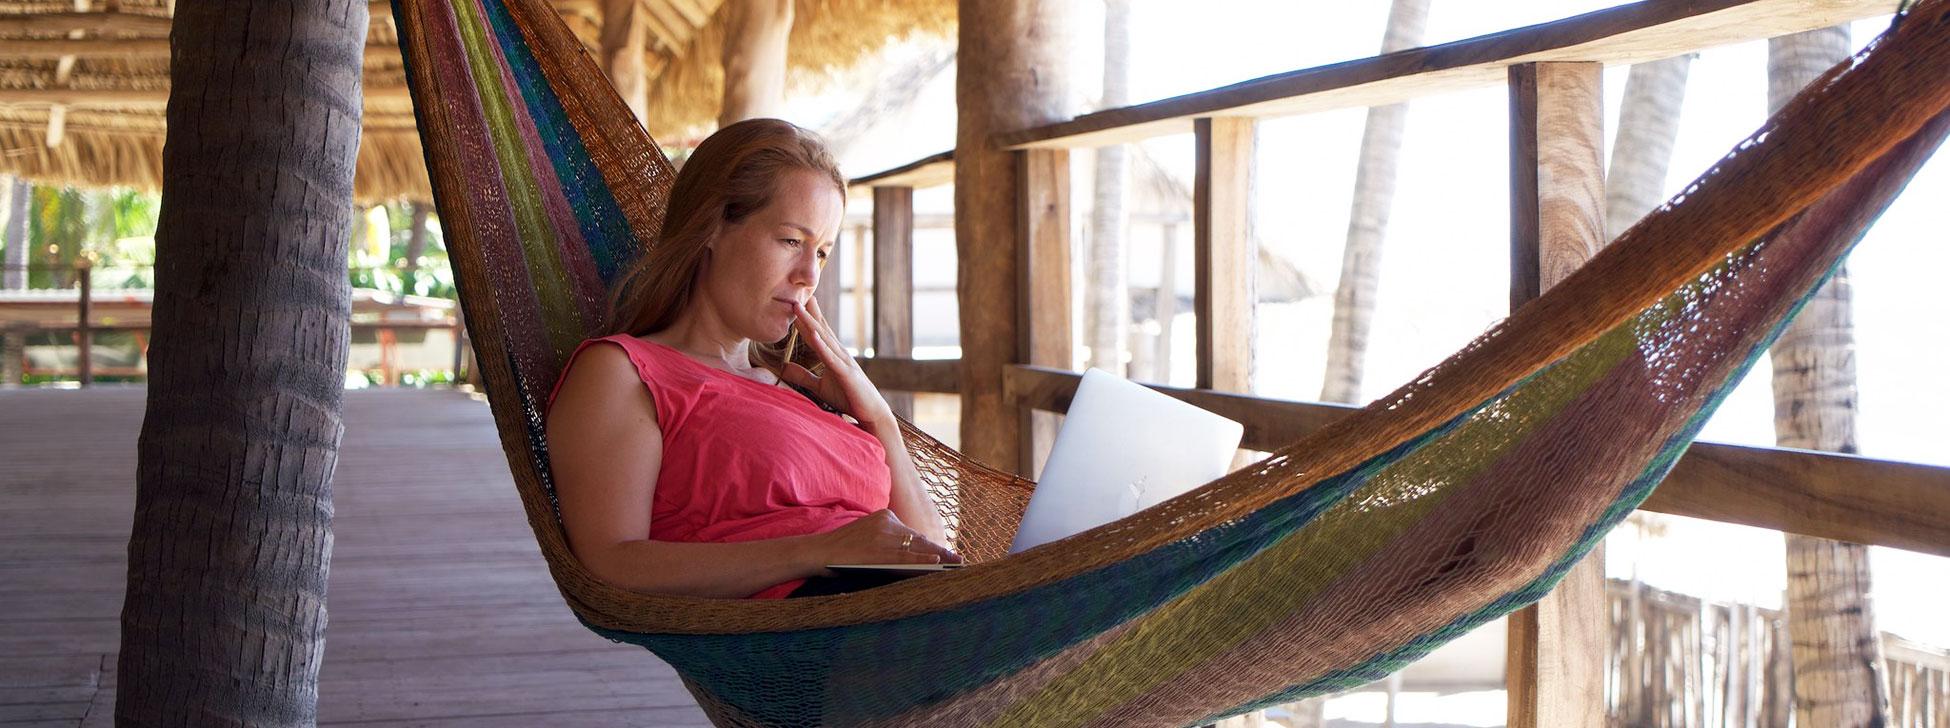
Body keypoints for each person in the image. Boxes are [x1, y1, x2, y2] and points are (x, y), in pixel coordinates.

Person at [543, 118, 959, 600]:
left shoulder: (803, 392)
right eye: (791, 241)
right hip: (808, 624)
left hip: (910, 616)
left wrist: (879, 418)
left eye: (822, 253)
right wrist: (819, 551)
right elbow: (610, 563)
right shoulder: (624, 373)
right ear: (712, 227)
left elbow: (932, 552)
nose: (809, 276)